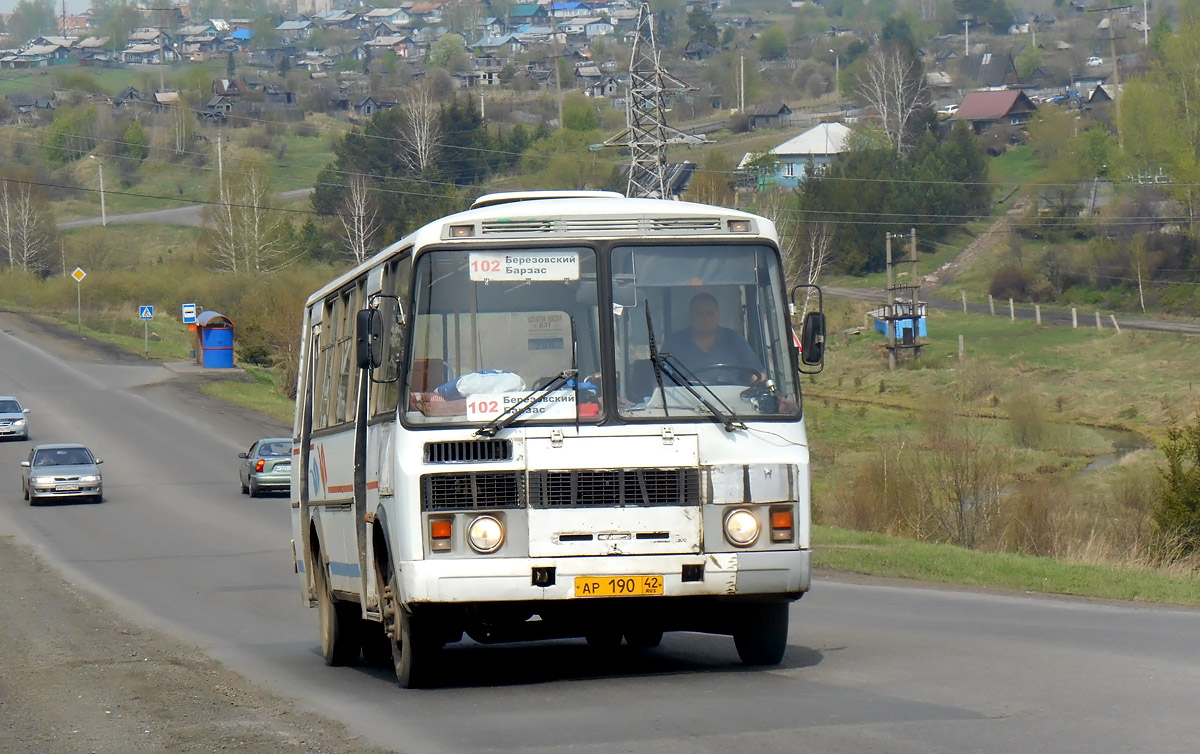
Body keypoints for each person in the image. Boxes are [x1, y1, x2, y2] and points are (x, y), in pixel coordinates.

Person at [662, 293, 763, 380]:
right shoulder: (673, 343)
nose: (705, 318)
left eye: (710, 313)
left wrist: (758, 380)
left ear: (718, 315)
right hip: (686, 401)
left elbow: (758, 374)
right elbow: (660, 382)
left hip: (731, 401)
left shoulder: (735, 340)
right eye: (700, 314)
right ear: (691, 315)